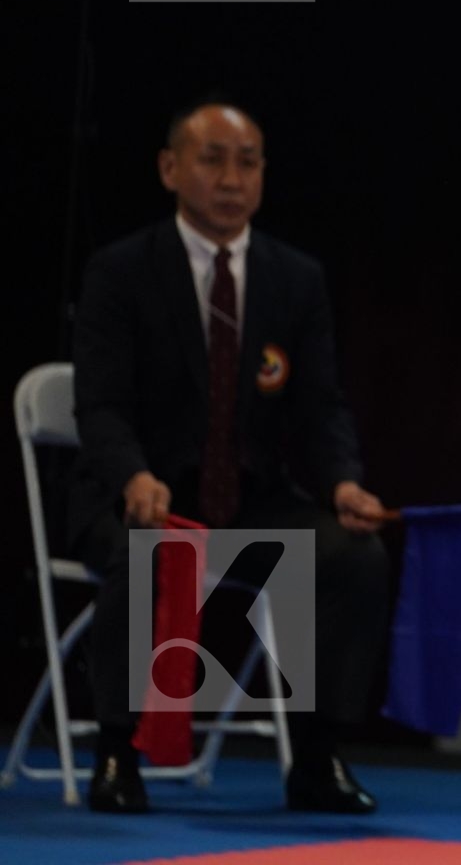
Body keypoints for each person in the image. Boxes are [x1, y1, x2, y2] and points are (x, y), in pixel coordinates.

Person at [68, 99, 390, 815]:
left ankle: (316, 758)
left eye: (248, 162)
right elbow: (101, 404)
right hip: (141, 499)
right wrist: (133, 474)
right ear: (170, 168)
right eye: (212, 159)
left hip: (247, 502)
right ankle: (118, 754)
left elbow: (321, 406)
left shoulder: (295, 278)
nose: (231, 178)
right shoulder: (120, 272)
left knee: (350, 555)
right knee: (142, 552)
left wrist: (343, 482)